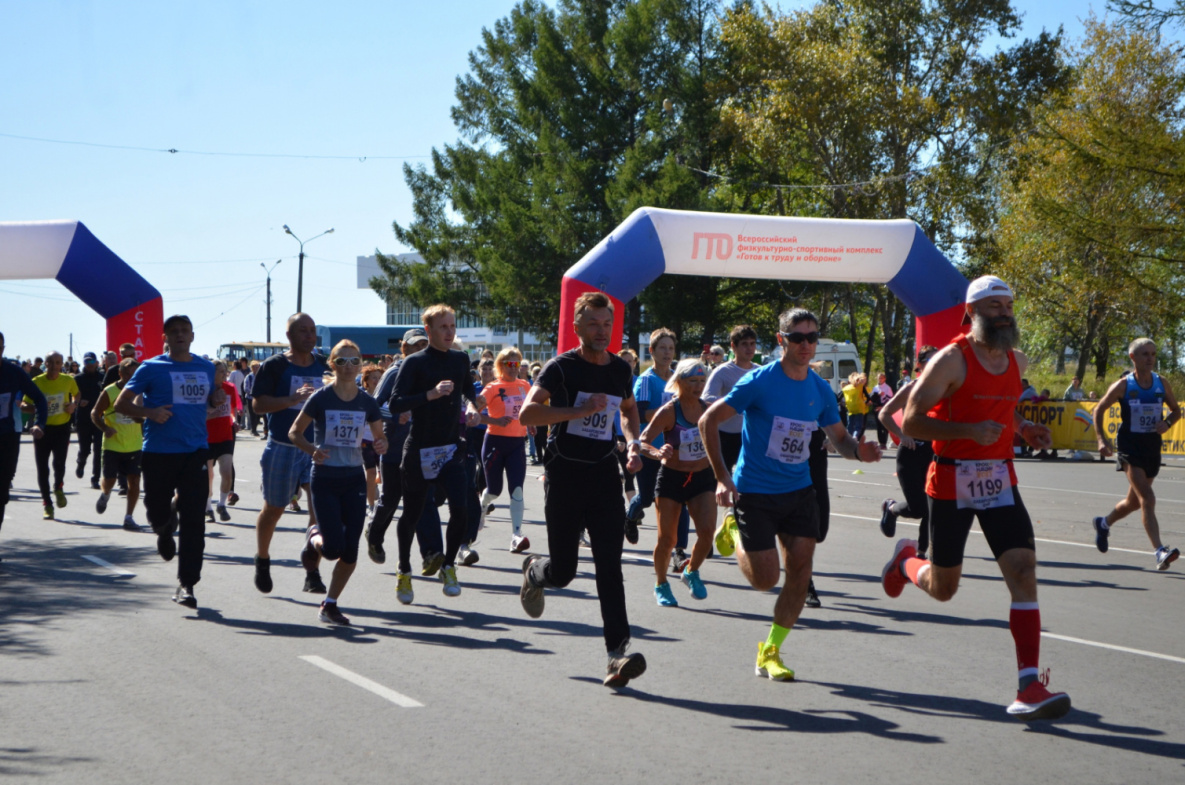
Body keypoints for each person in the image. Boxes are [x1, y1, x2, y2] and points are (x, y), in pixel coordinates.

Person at [885, 275, 1071, 721]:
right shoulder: (950, 361)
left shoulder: (1015, 358)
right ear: (971, 313)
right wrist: (967, 431)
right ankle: (906, 561)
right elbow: (909, 422)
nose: (1004, 312)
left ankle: (1029, 684)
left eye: (1008, 304)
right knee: (943, 588)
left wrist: (1025, 429)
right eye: (994, 306)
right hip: (950, 479)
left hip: (999, 479)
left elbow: (1003, 409)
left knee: (1023, 569)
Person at [701, 308, 880, 682]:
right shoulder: (760, 381)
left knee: (800, 569)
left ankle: (771, 650)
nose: (806, 345)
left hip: (799, 490)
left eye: (812, 337)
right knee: (765, 579)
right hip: (755, 490)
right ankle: (734, 530)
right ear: (781, 340)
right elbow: (708, 421)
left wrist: (858, 451)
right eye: (797, 338)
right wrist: (721, 478)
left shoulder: (819, 389)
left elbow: (840, 438)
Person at [519, 292, 647, 687]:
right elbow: (527, 413)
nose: (601, 331)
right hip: (565, 476)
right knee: (566, 571)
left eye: (607, 324)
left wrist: (634, 442)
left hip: (604, 475)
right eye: (593, 323)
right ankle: (538, 573)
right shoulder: (561, 368)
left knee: (610, 567)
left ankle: (617, 655)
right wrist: (577, 410)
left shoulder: (619, 371)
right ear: (577, 327)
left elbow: (627, 412)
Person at [114, 315, 222, 608]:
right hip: (159, 452)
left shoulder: (205, 367)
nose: (179, 335)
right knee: (156, 511)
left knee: (194, 521)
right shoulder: (151, 367)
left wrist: (215, 401)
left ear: (192, 336)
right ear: (165, 337)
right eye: (173, 331)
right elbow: (121, 403)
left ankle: (187, 584)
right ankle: (163, 527)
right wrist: (150, 412)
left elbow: (208, 402)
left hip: (195, 451)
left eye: (185, 331)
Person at [389, 305, 482, 601]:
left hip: (451, 448)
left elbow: (469, 392)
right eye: (443, 327)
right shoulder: (415, 363)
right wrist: (430, 394)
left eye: (453, 326)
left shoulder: (460, 359)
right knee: (413, 514)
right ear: (428, 331)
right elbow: (395, 404)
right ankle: (404, 570)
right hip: (419, 449)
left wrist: (470, 407)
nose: (450, 332)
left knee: (461, 509)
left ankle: (449, 565)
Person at [289, 340, 387, 624]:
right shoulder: (320, 398)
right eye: (341, 362)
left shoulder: (367, 402)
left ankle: (330, 604)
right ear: (332, 365)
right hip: (326, 477)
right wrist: (313, 451)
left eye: (354, 361)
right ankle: (313, 536)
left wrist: (382, 445)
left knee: (350, 550)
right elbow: (295, 433)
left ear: (360, 365)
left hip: (354, 478)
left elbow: (381, 437)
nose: (348, 367)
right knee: (332, 549)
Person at [250, 313, 330, 595]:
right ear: (290, 336)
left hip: (317, 448)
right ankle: (262, 558)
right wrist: (292, 400)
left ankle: (312, 570)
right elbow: (258, 406)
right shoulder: (275, 366)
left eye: (312, 331)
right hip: (283, 446)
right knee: (275, 508)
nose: (310, 336)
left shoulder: (324, 365)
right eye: (303, 331)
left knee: (319, 509)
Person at [1092, 337, 1181, 569]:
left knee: (1133, 502)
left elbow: (1176, 411)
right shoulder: (1124, 385)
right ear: (1133, 358)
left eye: (1153, 354)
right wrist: (1101, 440)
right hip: (1129, 448)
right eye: (1145, 354)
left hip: (1152, 447)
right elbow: (1099, 409)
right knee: (1148, 499)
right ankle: (1160, 551)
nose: (1150, 358)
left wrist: (1167, 423)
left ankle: (1103, 523)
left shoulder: (1161, 383)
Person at [638, 358, 716, 606]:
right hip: (672, 478)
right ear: (680, 382)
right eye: (693, 381)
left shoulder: (707, 409)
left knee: (706, 534)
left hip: (702, 477)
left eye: (702, 381)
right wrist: (657, 453)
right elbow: (642, 441)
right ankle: (661, 583)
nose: (698, 386)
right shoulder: (669, 411)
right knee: (667, 540)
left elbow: (716, 444)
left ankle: (691, 570)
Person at [365, 328, 425, 566]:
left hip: (421, 448)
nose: (420, 350)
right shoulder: (395, 372)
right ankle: (375, 534)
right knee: (391, 498)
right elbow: (373, 406)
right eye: (415, 346)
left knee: (422, 501)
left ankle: (427, 553)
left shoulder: (430, 373)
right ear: (405, 348)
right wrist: (396, 413)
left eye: (424, 345)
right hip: (393, 446)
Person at [877, 346, 939, 557]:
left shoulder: (945, 389)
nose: (935, 365)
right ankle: (891, 508)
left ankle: (922, 552)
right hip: (910, 453)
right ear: (920, 366)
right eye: (930, 361)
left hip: (933, 454)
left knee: (933, 505)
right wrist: (902, 435)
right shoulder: (911, 388)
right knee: (919, 508)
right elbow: (884, 414)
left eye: (938, 361)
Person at [479, 347, 533, 553]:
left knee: (517, 489)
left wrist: (532, 423)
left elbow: (529, 409)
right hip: (495, 442)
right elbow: (473, 411)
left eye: (517, 364)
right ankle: (482, 505)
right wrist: (495, 420)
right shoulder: (493, 387)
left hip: (517, 443)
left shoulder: (525, 385)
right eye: (509, 364)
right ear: (501, 366)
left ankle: (516, 536)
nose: (514, 368)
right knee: (494, 490)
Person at [1, 332, 46, 545]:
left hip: (7, 437)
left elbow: (40, 399)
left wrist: (39, 423)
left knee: (2, 493)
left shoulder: (13, 373)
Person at [23, 351, 79, 520]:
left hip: (62, 428)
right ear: (45, 364)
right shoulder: (36, 382)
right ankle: (47, 504)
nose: (54, 366)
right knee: (42, 468)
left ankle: (58, 487)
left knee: (59, 463)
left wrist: (73, 406)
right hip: (42, 429)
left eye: (58, 362)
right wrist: (37, 409)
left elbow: (77, 394)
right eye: (51, 362)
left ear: (62, 364)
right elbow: (25, 403)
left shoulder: (68, 380)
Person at [91, 358, 144, 531]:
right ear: (120, 374)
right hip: (113, 445)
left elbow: (144, 416)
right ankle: (105, 494)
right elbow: (95, 413)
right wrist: (105, 428)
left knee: (134, 482)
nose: (131, 378)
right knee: (110, 480)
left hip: (134, 444)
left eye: (134, 374)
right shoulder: (110, 391)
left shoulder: (140, 391)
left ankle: (129, 517)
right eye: (127, 374)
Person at [705, 325, 758, 473]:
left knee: (747, 481)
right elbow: (706, 399)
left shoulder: (759, 372)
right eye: (744, 344)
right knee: (721, 480)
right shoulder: (722, 371)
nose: (749, 348)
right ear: (733, 346)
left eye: (752, 343)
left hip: (749, 435)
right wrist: (735, 403)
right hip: (724, 436)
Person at [204, 360, 240, 523]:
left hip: (226, 436)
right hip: (207, 437)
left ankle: (221, 504)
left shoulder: (230, 388)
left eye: (225, 370)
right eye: (220, 371)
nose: (224, 373)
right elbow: (199, 414)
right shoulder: (205, 389)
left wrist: (235, 420)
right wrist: (211, 414)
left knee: (227, 472)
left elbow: (233, 410)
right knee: (209, 476)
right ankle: (208, 508)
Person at [73, 351, 105, 490]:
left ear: (96, 363)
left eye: (92, 361)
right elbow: (71, 397)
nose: (89, 364)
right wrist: (79, 402)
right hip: (83, 418)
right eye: (87, 362)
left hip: (99, 417)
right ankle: (81, 462)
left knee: (98, 450)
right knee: (85, 449)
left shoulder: (102, 377)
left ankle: (95, 478)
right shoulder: (78, 378)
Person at [359, 363, 385, 514]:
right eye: (373, 377)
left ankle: (383, 501)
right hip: (365, 440)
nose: (376, 380)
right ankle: (370, 505)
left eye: (380, 378)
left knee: (384, 473)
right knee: (370, 472)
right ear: (366, 380)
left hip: (381, 440)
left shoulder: (386, 396)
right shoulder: (361, 396)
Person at [841, 372, 870, 444]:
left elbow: (838, 397)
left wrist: (841, 403)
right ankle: (855, 436)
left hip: (850, 408)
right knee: (858, 426)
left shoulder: (846, 388)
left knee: (850, 425)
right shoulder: (861, 386)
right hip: (859, 408)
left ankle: (849, 439)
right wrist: (866, 402)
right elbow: (868, 397)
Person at [870, 372, 894, 449]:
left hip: (884, 409)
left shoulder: (887, 388)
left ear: (885, 379)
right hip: (876, 408)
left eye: (882, 378)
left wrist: (882, 407)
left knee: (884, 426)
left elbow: (890, 400)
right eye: (879, 378)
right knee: (879, 426)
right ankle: (881, 443)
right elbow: (872, 399)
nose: (880, 379)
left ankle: (884, 441)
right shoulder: (875, 388)